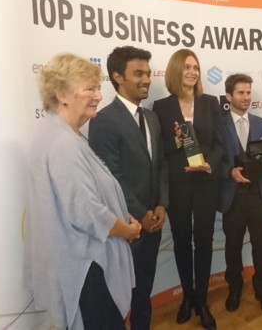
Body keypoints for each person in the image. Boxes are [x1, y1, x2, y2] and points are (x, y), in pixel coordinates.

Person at [23, 53, 141, 329]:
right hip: (87, 268)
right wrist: (128, 230)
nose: (98, 96)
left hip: (85, 262)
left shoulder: (64, 134)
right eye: (89, 88)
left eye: (97, 88)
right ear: (62, 94)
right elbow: (86, 212)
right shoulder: (62, 142)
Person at [88, 46, 168, 330]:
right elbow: (111, 176)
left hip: (153, 224)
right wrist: (141, 213)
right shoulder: (104, 120)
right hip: (125, 227)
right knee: (118, 298)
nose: (147, 79)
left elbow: (160, 165)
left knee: (143, 292)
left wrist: (160, 206)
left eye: (147, 73)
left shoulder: (152, 118)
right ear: (118, 77)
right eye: (139, 73)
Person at [152, 49, 224, 330]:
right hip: (179, 185)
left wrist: (209, 165)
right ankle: (187, 297)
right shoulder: (161, 107)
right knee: (182, 242)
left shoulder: (210, 103)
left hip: (206, 182)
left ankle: (203, 301)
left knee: (204, 243)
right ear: (175, 71)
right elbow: (162, 151)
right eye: (186, 67)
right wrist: (178, 143)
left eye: (196, 66)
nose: (193, 72)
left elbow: (220, 144)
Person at [219, 74, 262, 316]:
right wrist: (229, 171)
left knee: (261, 247)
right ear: (229, 96)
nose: (246, 97)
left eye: (248, 92)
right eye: (241, 93)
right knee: (232, 246)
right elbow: (214, 159)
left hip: (259, 195)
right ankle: (234, 289)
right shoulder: (217, 125)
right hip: (232, 197)